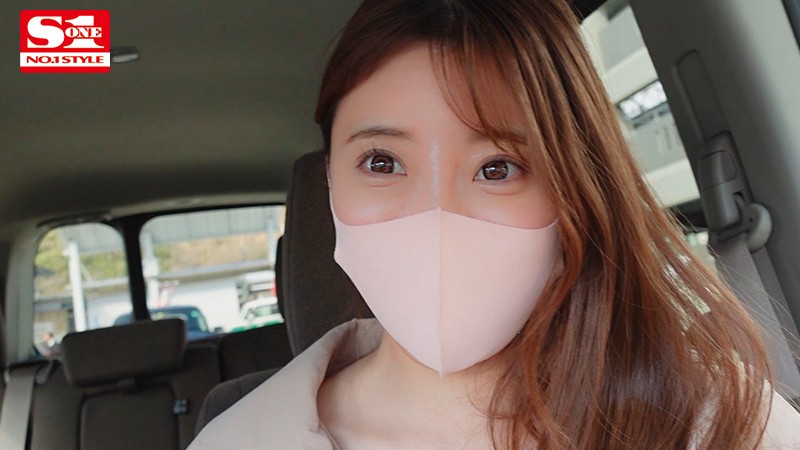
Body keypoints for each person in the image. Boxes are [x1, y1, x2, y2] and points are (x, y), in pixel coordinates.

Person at [190, 0, 800, 448]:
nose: (435, 219)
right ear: (330, 186)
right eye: (381, 162)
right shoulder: (238, 441)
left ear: (571, 189)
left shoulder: (720, 418)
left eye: (498, 167)